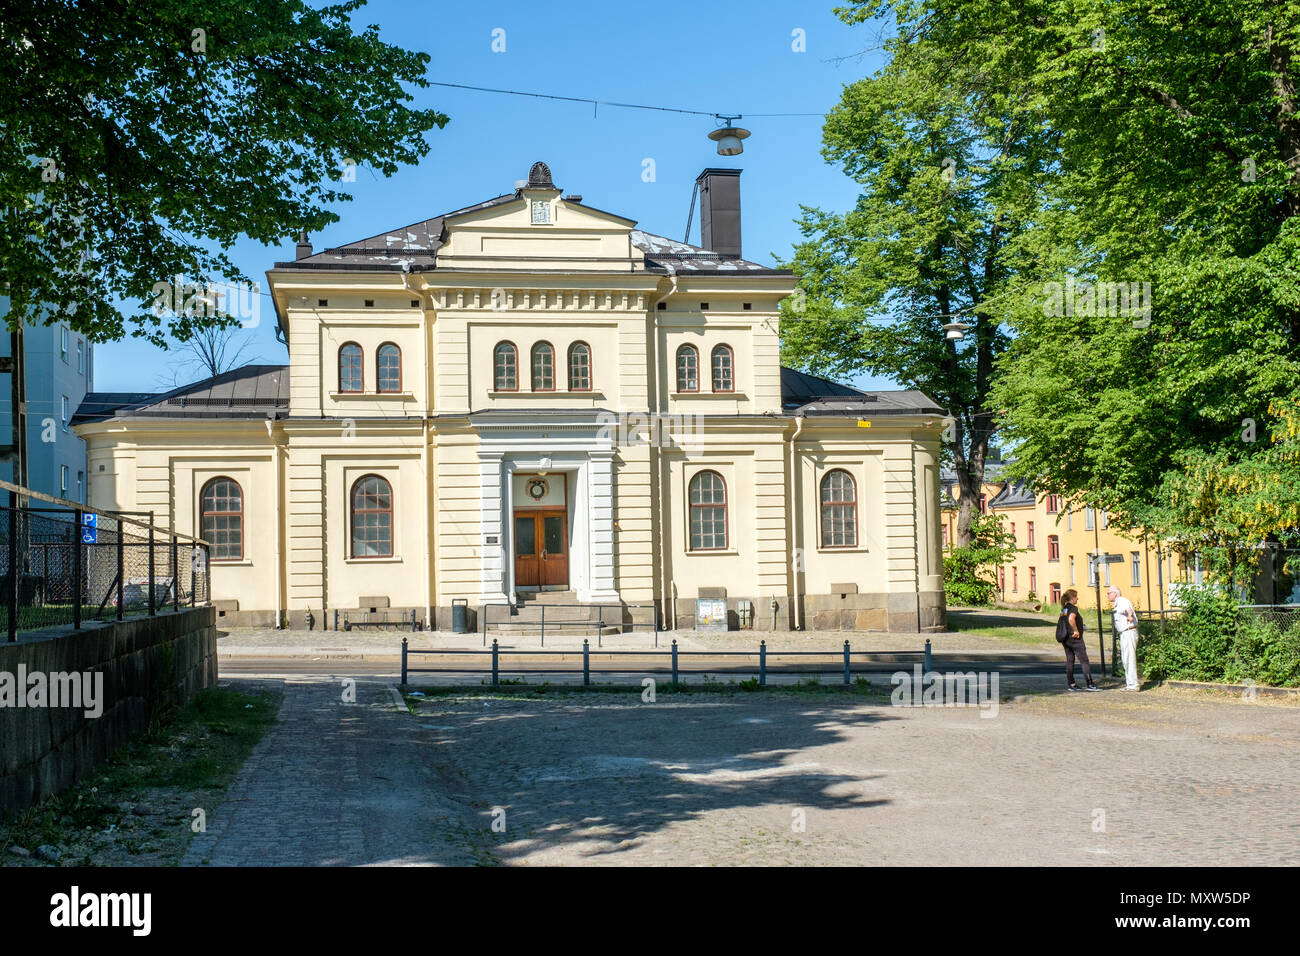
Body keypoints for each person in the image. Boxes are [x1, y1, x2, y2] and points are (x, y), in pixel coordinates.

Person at [1057, 589, 1099, 691]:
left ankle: (1071, 684)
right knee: (1084, 660)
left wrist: (1081, 626)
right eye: (1076, 596)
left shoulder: (1064, 609)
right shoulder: (1073, 608)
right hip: (1075, 639)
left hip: (1065, 639)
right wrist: (1076, 630)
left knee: (1070, 661)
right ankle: (1090, 684)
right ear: (1072, 598)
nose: (1077, 598)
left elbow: (1065, 621)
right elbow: (1071, 619)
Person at [1108, 585, 1140, 691]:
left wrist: (1130, 616)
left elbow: (1128, 610)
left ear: (1115, 594)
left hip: (1128, 632)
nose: (1107, 595)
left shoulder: (1122, 601)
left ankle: (1133, 684)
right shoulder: (1118, 604)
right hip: (1125, 633)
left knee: (1129, 658)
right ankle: (1130, 683)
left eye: (1109, 593)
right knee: (1125, 658)